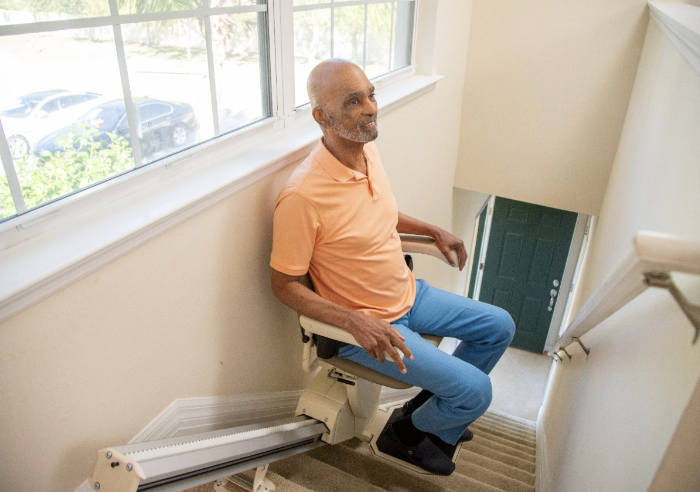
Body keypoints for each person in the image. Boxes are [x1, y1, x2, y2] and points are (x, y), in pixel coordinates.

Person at [270, 59, 514, 475]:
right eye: (353, 101)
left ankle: (432, 413)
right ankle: (404, 434)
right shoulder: (303, 196)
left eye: (371, 94)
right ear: (321, 117)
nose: (370, 108)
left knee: (500, 326)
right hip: (367, 326)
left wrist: (432, 230)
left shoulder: (368, 153)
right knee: (477, 392)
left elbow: (385, 213)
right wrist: (356, 322)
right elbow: (284, 285)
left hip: (409, 294)